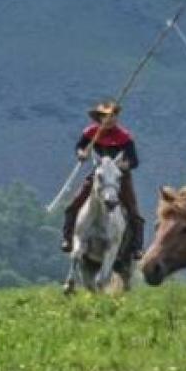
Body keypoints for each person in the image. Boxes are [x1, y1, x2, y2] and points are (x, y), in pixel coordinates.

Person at [60, 101, 145, 258]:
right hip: (99, 174)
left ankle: (137, 247)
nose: (110, 119)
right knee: (74, 204)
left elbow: (134, 161)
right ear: (99, 118)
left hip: (120, 177)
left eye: (113, 116)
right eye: (106, 116)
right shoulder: (91, 133)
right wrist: (81, 154)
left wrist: (123, 165)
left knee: (133, 211)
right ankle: (68, 239)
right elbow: (80, 147)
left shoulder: (124, 137)